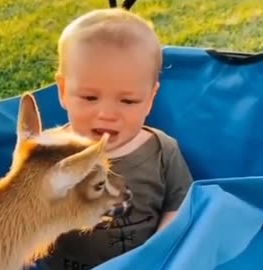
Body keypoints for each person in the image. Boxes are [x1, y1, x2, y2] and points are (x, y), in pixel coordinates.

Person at [41, 8, 193, 270]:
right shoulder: (47, 153)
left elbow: (179, 207)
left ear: (150, 99)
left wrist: (157, 253)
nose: (107, 114)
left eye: (128, 101)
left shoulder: (162, 150)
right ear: (64, 91)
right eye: (90, 97)